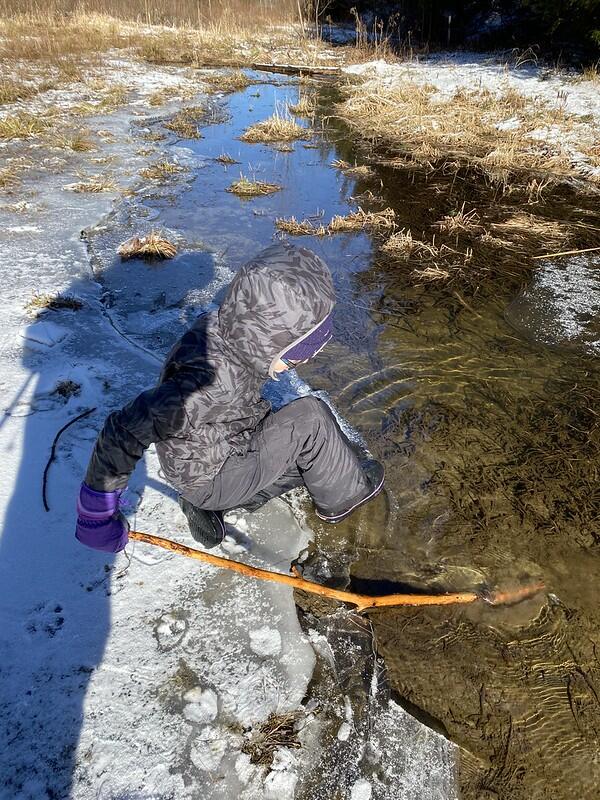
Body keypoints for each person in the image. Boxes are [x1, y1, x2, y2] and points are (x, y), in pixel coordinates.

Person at [75, 242, 384, 553]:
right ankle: (346, 500)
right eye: (293, 358)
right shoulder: (210, 385)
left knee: (309, 458)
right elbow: (125, 429)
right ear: (267, 343)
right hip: (211, 475)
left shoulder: (220, 330)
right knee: (311, 419)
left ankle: (208, 509)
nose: (300, 364)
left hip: (207, 457)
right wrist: (95, 515)